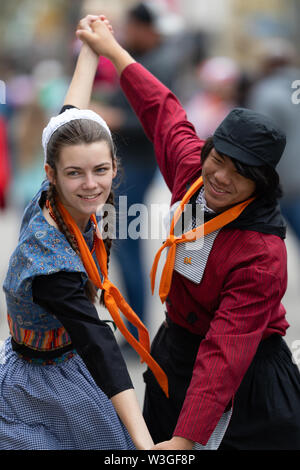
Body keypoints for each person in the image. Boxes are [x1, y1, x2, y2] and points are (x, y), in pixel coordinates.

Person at [76, 16, 300, 450]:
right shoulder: (195, 175)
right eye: (219, 160)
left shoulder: (261, 254)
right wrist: (114, 51)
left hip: (247, 379)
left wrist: (183, 440)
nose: (221, 178)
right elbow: (164, 111)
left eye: (240, 174)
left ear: (260, 185)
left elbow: (225, 353)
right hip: (175, 352)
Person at [0, 16, 163, 450]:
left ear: (114, 166)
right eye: (75, 173)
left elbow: (70, 114)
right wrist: (146, 447)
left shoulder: (65, 195)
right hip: (45, 377)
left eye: (101, 170)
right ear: (51, 174)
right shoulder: (48, 261)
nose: (91, 184)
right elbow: (100, 347)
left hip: (69, 355)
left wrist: (92, 46)